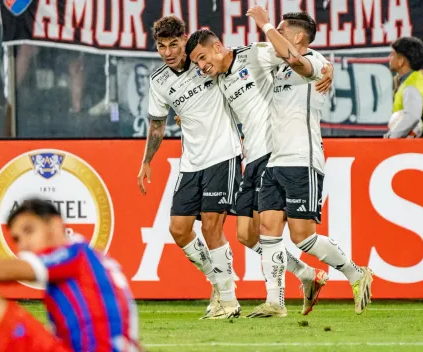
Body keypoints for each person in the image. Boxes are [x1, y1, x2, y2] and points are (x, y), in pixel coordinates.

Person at [185, 18, 333, 316]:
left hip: (274, 151)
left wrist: (325, 65)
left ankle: (275, 301)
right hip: (250, 156)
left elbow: (293, 53)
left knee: (269, 230)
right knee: (246, 235)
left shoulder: (254, 54)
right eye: (195, 62)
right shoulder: (217, 79)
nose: (200, 66)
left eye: (202, 57)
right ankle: (306, 275)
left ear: (217, 47)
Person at [245, 7, 373, 316]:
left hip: (302, 158)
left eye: (282, 29)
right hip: (271, 159)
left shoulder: (318, 62)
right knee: (268, 229)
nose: (276, 31)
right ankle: (275, 302)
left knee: (303, 237)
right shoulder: (273, 67)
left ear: (298, 36)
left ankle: (356, 273)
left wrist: (264, 26)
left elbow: (297, 62)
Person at [136, 16, 243, 319]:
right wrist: (146, 161)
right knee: (179, 230)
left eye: (173, 44)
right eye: (161, 46)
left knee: (211, 227)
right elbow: (157, 126)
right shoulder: (159, 81)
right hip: (191, 162)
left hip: (224, 154)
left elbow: (242, 67)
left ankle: (229, 301)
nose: (168, 52)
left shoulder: (206, 61)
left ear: (185, 40)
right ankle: (219, 282)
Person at [0, 199, 140, 352]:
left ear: (55, 226)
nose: (23, 244)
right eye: (17, 239)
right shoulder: (90, 261)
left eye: (29, 231)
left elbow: (21, 268)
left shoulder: (74, 253)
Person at [387, 37, 423, 138]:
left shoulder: (411, 85)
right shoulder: (416, 81)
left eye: (392, 54)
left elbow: (412, 117)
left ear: (401, 61)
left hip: (419, 150)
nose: (389, 57)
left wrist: (390, 137)